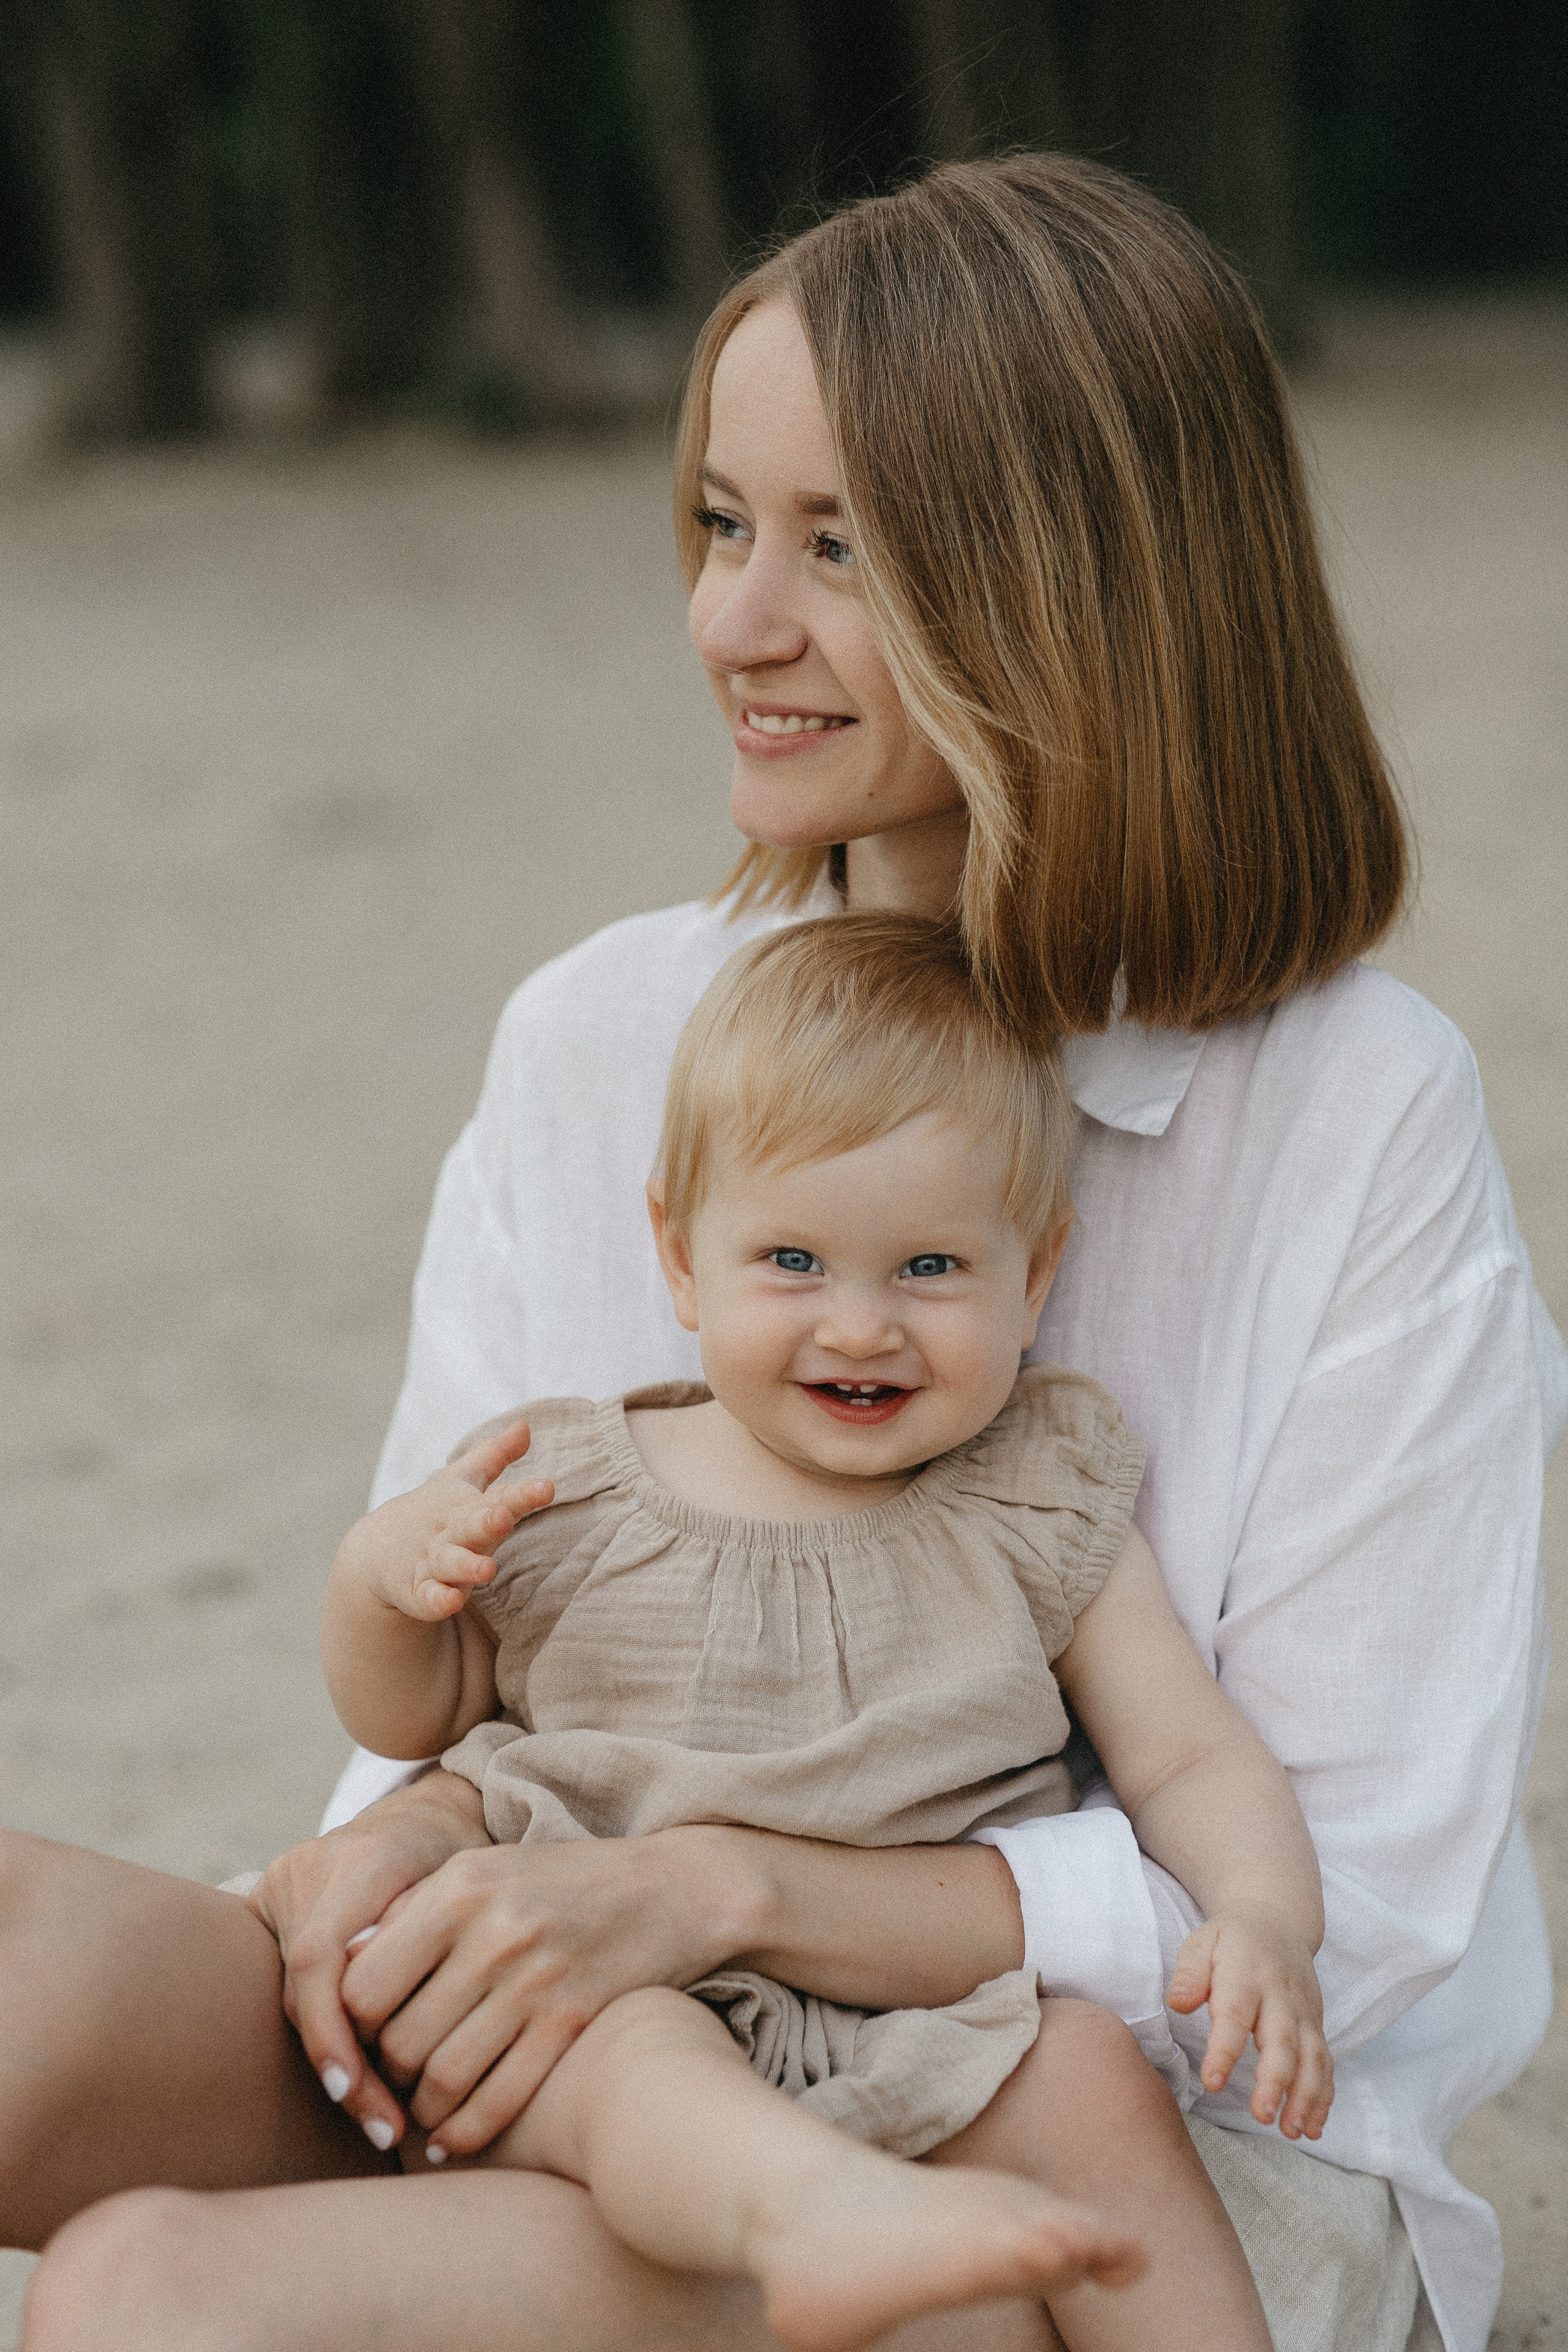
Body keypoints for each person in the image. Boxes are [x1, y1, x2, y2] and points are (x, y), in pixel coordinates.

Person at [3, 151, 1563, 2352]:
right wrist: (392, 1853)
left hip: (1126, 2128)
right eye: (725, 525)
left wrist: (724, 1891)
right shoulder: (599, 1039)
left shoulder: (1349, 1112)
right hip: (596, 2015)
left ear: (1077, 592)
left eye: (840, 548)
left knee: (155, 2291)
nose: (733, 623)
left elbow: (1364, 1914)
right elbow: (482, 1635)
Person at [318, 913, 1334, 2352]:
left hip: (926, 2000)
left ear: (1035, 1274)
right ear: (679, 1256)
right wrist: (378, 1587)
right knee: (637, 2063)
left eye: (928, 1269)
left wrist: (1260, 1917)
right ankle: (803, 2217)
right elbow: (411, 1717)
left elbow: (1187, 1757)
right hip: (609, 1983)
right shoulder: (564, 1486)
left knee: (1089, 2075)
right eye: (792, 1260)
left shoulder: (1035, 1499)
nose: (859, 1327)